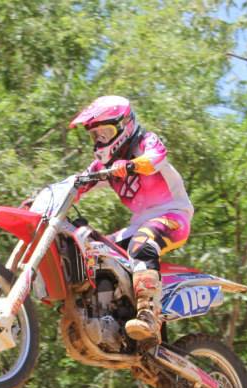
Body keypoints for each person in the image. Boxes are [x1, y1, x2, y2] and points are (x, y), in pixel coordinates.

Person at [69, 96, 194, 342]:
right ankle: (110, 314)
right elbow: (74, 186)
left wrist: (129, 165)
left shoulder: (145, 141)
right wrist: (40, 200)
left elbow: (155, 158)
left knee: (142, 243)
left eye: (105, 133)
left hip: (173, 215)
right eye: (95, 136)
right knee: (96, 251)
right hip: (139, 223)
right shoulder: (101, 166)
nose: (99, 141)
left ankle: (148, 313)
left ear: (124, 125)